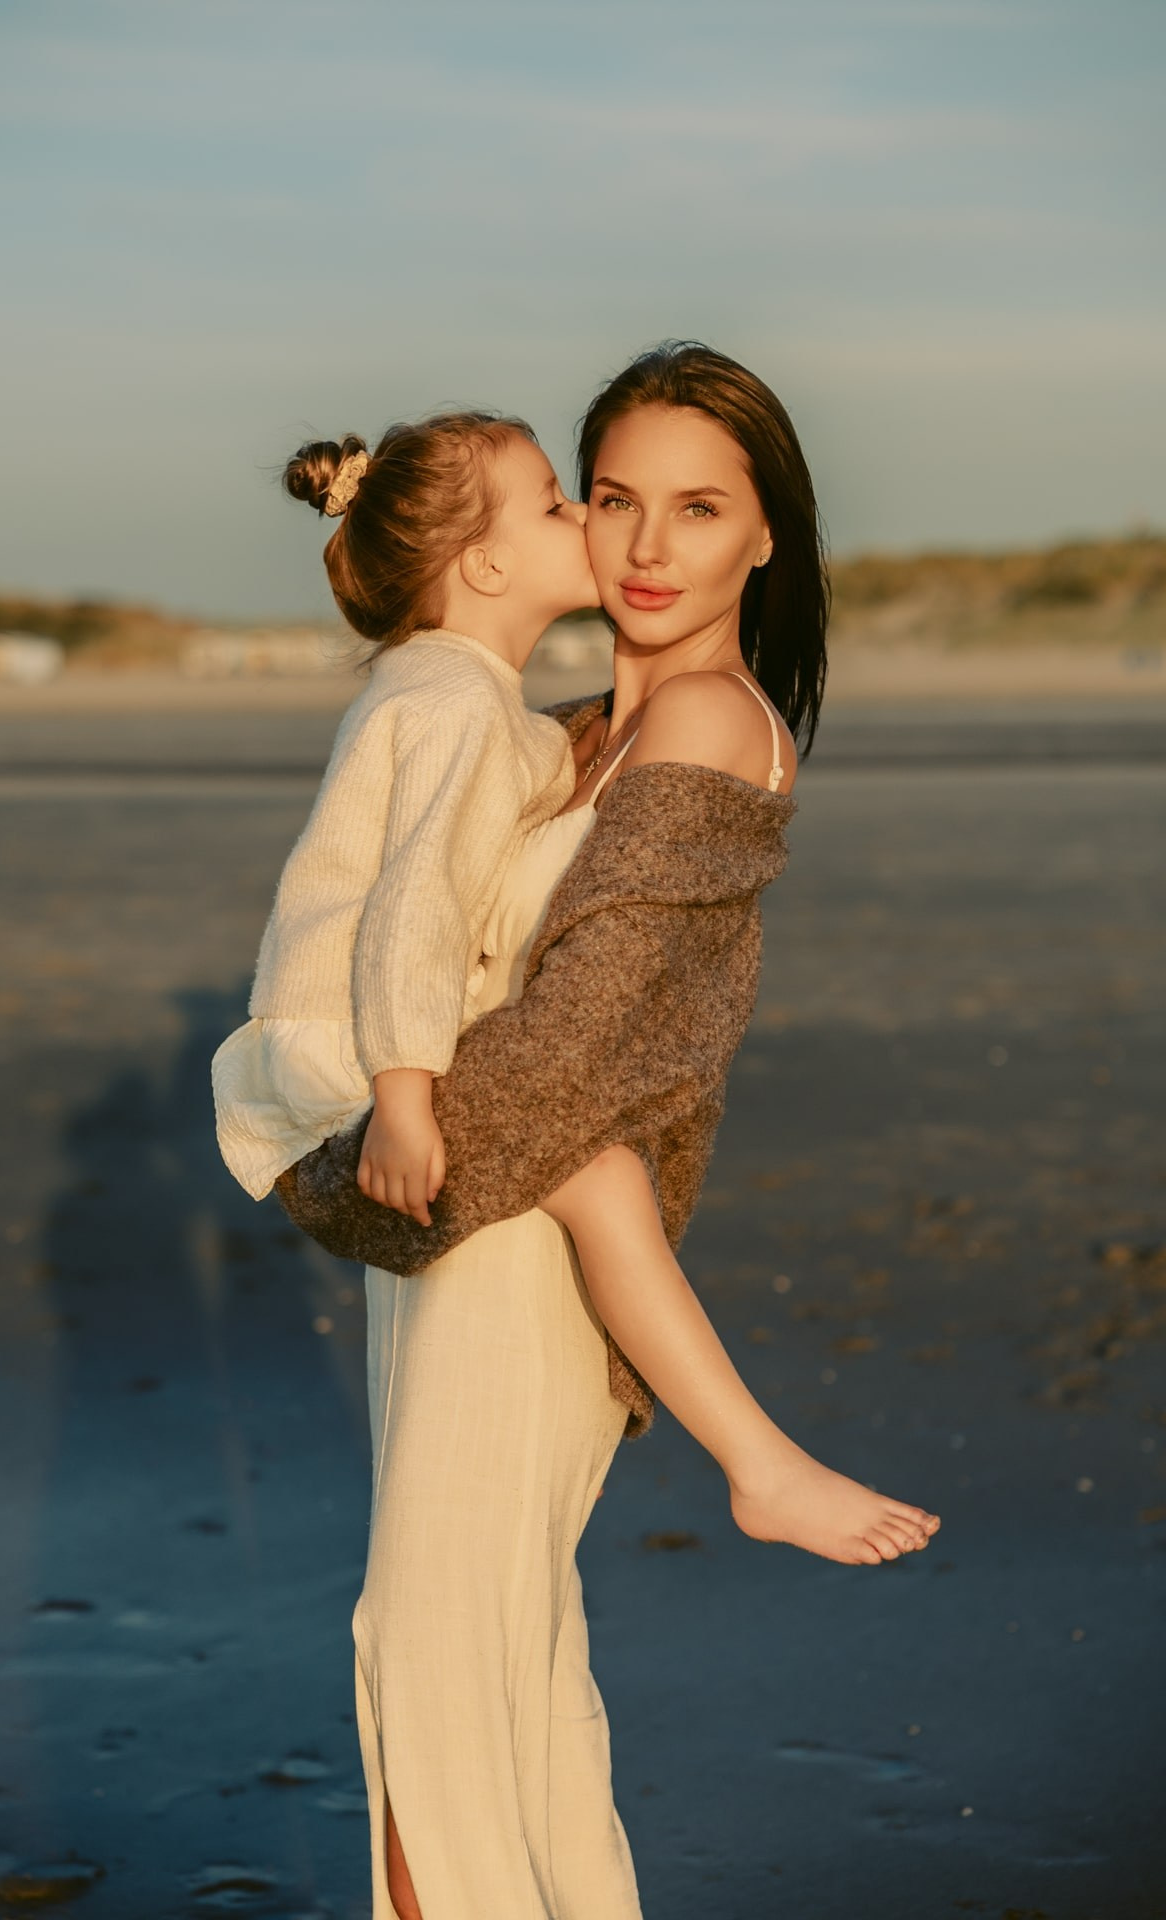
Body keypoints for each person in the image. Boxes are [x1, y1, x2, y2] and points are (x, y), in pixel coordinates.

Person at [278, 344, 940, 1920]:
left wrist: (359, 1186)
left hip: (496, 1235)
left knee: (428, 1660)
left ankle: (756, 1463)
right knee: (513, 1670)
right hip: (467, 1222)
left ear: (765, 536)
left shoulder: (708, 722)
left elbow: (573, 1050)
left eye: (700, 509)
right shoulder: (566, 729)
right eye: (620, 500)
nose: (649, 549)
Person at [211, 408, 596, 1216]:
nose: (588, 515)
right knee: (601, 1185)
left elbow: (517, 773)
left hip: (329, 1019)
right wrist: (402, 1104)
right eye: (557, 506)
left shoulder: (433, 680)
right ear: (487, 566)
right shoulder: (460, 703)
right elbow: (418, 903)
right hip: (358, 1040)